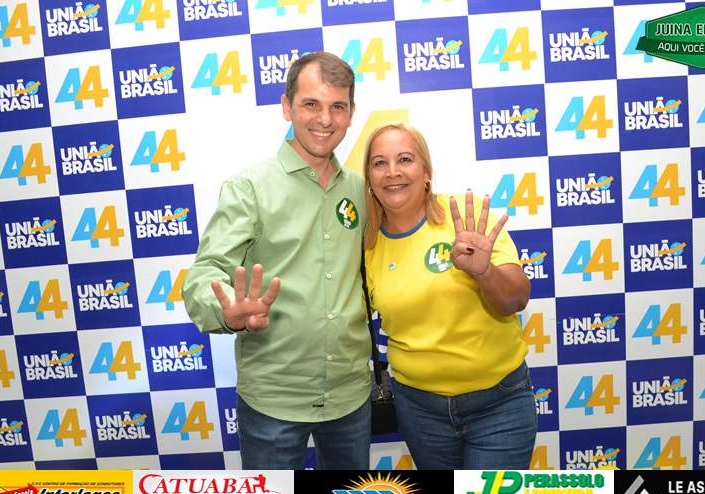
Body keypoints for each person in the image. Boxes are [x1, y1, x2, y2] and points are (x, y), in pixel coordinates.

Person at [182, 52, 370, 470]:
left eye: (337, 106)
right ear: (287, 106)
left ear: (351, 113)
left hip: (350, 397)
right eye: (311, 104)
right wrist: (227, 311)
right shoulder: (248, 187)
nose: (325, 119)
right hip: (273, 401)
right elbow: (204, 274)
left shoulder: (361, 189)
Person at [362, 122, 536, 469]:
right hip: (420, 412)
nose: (393, 171)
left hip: (498, 404)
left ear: (426, 172)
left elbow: (515, 300)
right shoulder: (364, 244)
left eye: (405, 159)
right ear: (369, 178)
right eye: (380, 163)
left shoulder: (466, 219)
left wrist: (484, 271)